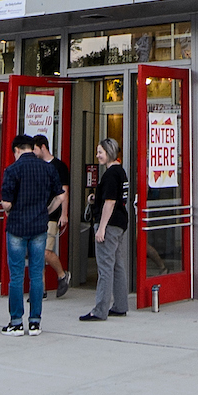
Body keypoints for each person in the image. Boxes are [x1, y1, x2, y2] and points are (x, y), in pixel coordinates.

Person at [0, 132, 63, 337]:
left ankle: (16, 322)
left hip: (17, 226)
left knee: (16, 276)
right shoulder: (47, 168)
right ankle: (35, 322)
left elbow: (6, 203)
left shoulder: (12, 169)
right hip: (39, 226)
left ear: (16, 150)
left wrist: (10, 211)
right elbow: (61, 196)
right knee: (36, 275)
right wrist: (47, 210)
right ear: (31, 147)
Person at [80, 137, 133, 323]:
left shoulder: (110, 174)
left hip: (109, 225)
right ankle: (120, 305)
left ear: (109, 153)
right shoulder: (121, 172)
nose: (97, 155)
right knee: (118, 266)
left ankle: (100, 310)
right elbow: (115, 198)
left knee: (105, 267)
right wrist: (97, 198)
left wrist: (101, 228)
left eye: (100, 152)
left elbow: (110, 203)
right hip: (120, 223)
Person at [37, 134, 74, 299]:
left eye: (35, 148)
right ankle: (41, 288)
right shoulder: (36, 165)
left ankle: (62, 274)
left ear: (43, 147)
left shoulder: (59, 166)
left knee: (45, 251)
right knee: (37, 251)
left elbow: (64, 190)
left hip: (53, 213)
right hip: (38, 213)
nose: (33, 151)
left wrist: (64, 213)